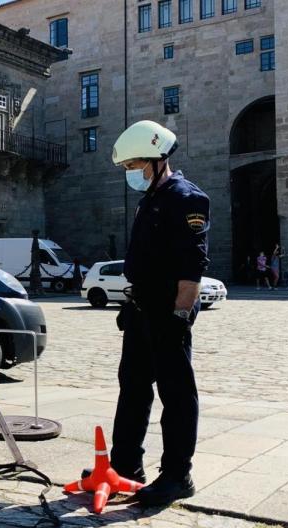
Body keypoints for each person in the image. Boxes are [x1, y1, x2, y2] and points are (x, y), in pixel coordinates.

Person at [109, 120, 209, 506]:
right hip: (140, 309)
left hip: (169, 313)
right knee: (132, 388)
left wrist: (179, 318)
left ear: (157, 160)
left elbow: (192, 269)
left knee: (176, 393)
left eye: (135, 165)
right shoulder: (150, 198)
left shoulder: (186, 199)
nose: (131, 173)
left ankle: (177, 475)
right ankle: (125, 466)